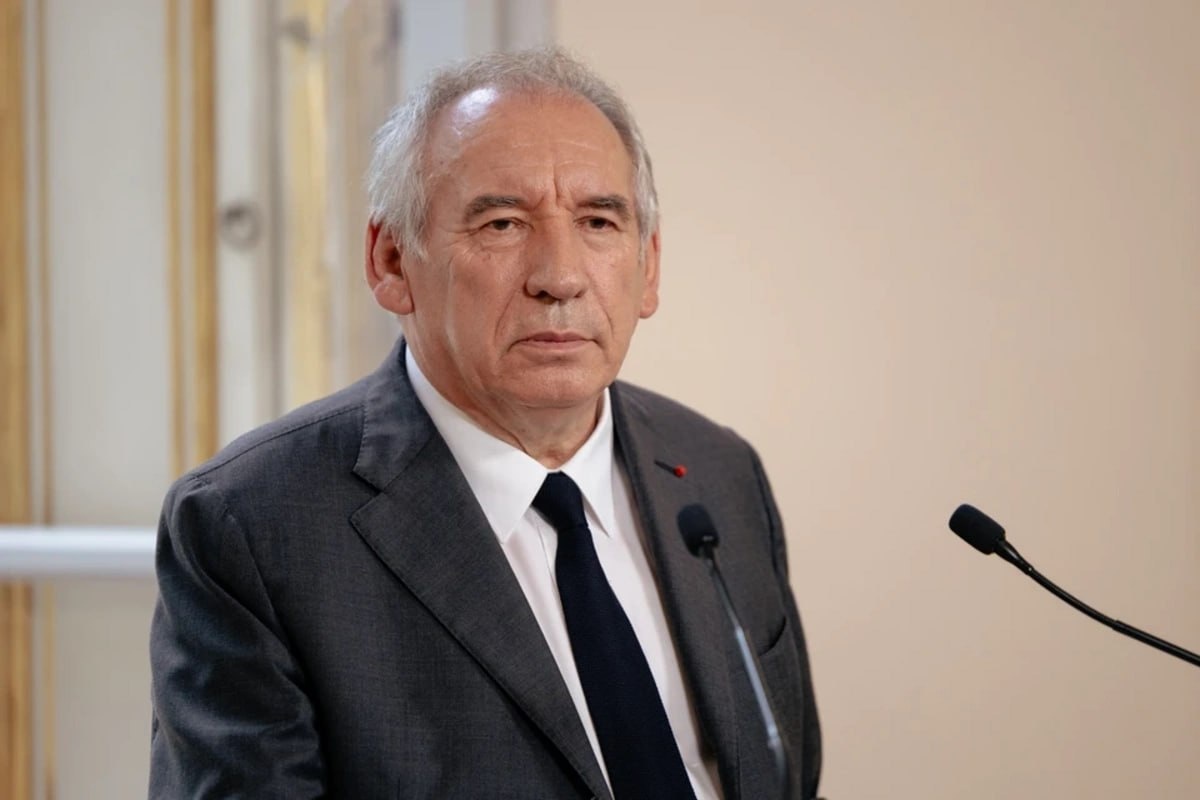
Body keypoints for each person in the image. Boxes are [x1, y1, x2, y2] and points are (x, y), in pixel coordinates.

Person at [149, 48, 821, 799]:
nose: (560, 277)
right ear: (392, 261)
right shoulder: (253, 525)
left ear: (649, 266)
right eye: (503, 223)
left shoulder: (719, 473)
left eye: (599, 221)